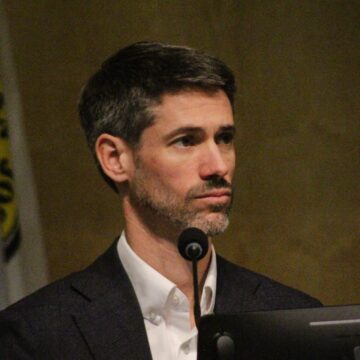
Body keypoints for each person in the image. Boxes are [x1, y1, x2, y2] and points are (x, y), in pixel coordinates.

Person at [0, 41, 321, 360]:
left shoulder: (298, 320)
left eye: (224, 138)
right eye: (186, 141)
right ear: (115, 158)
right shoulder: (35, 337)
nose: (218, 166)